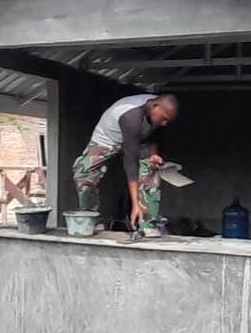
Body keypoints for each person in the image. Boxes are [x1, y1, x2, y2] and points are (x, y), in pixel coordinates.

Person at [72, 93, 178, 236]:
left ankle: (148, 224)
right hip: (107, 140)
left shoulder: (158, 108)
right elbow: (130, 161)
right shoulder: (131, 116)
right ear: (154, 106)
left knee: (151, 169)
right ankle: (92, 218)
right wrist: (135, 204)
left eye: (167, 121)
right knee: (83, 172)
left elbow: (153, 135)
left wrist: (153, 154)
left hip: (139, 141)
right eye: (164, 118)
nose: (165, 123)